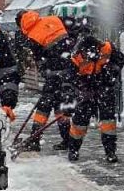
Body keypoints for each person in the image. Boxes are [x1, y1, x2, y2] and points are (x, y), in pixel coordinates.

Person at [16, 10, 78, 152]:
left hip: (54, 72)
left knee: (44, 106)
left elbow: (40, 59)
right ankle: (67, 139)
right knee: (58, 104)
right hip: (69, 67)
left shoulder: (32, 36)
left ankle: (34, 140)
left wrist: (46, 70)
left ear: (22, 24)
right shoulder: (53, 19)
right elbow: (73, 25)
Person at [67, 34, 124, 163]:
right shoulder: (76, 58)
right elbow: (71, 78)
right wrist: (82, 89)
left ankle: (110, 151)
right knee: (79, 123)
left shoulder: (108, 49)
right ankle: (73, 150)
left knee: (108, 122)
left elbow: (121, 60)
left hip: (105, 89)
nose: (90, 55)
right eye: (87, 53)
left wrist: (109, 73)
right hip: (86, 91)